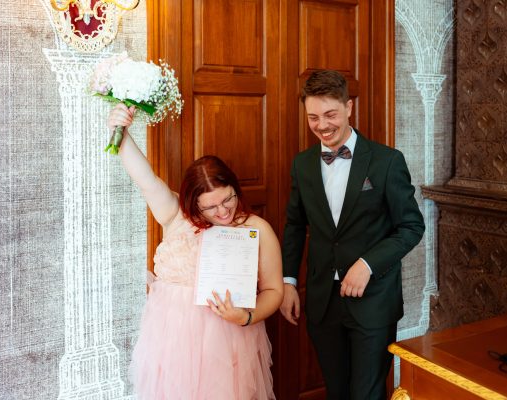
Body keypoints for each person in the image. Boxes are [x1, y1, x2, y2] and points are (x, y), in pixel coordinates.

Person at [107, 103, 284, 399]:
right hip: (173, 338)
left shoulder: (256, 228)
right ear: (192, 203)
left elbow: (273, 291)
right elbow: (145, 179)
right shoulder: (175, 215)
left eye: (228, 199)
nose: (223, 211)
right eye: (210, 207)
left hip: (228, 339)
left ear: (235, 188)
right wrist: (120, 131)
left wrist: (246, 317)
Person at [280, 70, 425, 400]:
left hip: (374, 301)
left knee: (366, 395)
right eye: (313, 117)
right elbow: (294, 226)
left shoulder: (387, 161)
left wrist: (367, 264)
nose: (322, 125)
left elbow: (412, 226)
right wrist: (288, 282)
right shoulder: (302, 165)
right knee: (337, 393)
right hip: (322, 302)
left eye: (330, 114)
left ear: (349, 107)